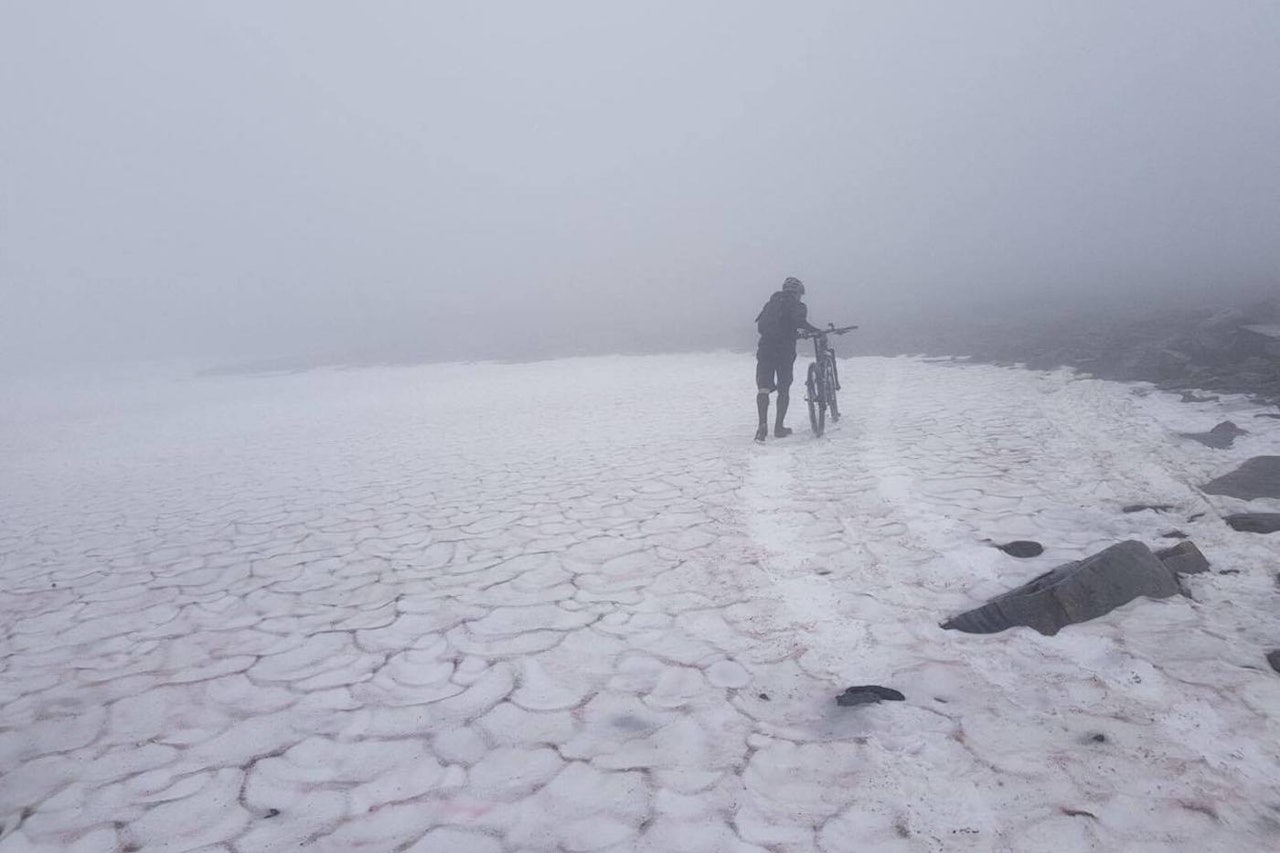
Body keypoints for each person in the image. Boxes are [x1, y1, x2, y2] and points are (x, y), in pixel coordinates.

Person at [754, 276, 819, 441]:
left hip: (766, 348)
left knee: (763, 388)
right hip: (784, 351)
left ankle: (762, 425)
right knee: (784, 388)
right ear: (798, 293)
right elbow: (799, 322)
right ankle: (778, 427)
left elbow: (761, 327)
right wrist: (815, 331)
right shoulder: (798, 305)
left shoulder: (770, 304)